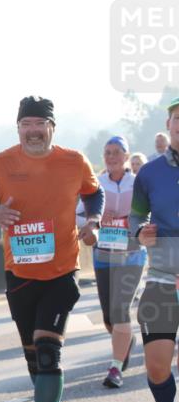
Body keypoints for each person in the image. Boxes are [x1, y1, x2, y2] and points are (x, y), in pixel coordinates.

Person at [0, 96, 104, 402]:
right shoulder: (1, 163)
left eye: (39, 124)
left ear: (51, 128)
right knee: (33, 361)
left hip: (62, 272)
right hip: (21, 275)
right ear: (18, 128)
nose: (32, 131)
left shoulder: (74, 161)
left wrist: (93, 223)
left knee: (48, 352)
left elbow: (94, 194)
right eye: (25, 124)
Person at [131, 96, 179, 402]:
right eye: (177, 118)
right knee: (157, 366)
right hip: (161, 279)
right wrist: (139, 232)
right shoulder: (149, 173)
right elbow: (135, 218)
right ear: (168, 124)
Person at [76, 135, 143, 388]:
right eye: (107, 152)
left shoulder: (138, 182)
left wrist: (133, 221)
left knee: (120, 308)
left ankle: (115, 368)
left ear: (126, 156)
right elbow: (77, 215)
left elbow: (152, 211)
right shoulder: (96, 184)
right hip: (104, 253)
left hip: (132, 253)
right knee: (108, 316)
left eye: (117, 152)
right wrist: (93, 223)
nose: (112, 156)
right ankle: (126, 341)